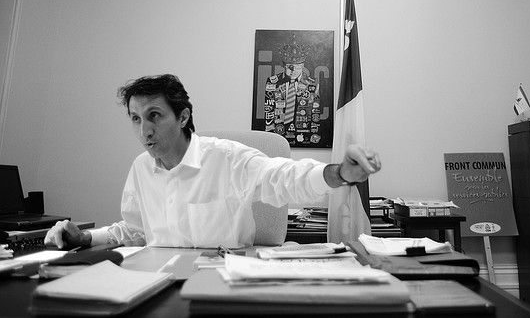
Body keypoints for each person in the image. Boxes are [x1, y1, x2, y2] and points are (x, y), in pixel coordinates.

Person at [45, 74, 380, 249]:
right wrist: (87, 238)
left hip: (222, 283)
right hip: (156, 283)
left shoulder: (228, 158)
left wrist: (340, 172)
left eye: (154, 115)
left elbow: (285, 178)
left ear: (182, 116)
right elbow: (136, 230)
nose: (144, 130)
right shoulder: (140, 169)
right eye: (135, 119)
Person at [264, 34, 321, 146]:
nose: (293, 70)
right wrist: (269, 134)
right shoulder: (273, 82)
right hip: (277, 132)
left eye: (298, 67)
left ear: (303, 65)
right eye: (290, 66)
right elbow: (268, 109)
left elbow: (316, 110)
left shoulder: (312, 83)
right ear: (283, 65)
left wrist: (313, 134)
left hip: (303, 130)